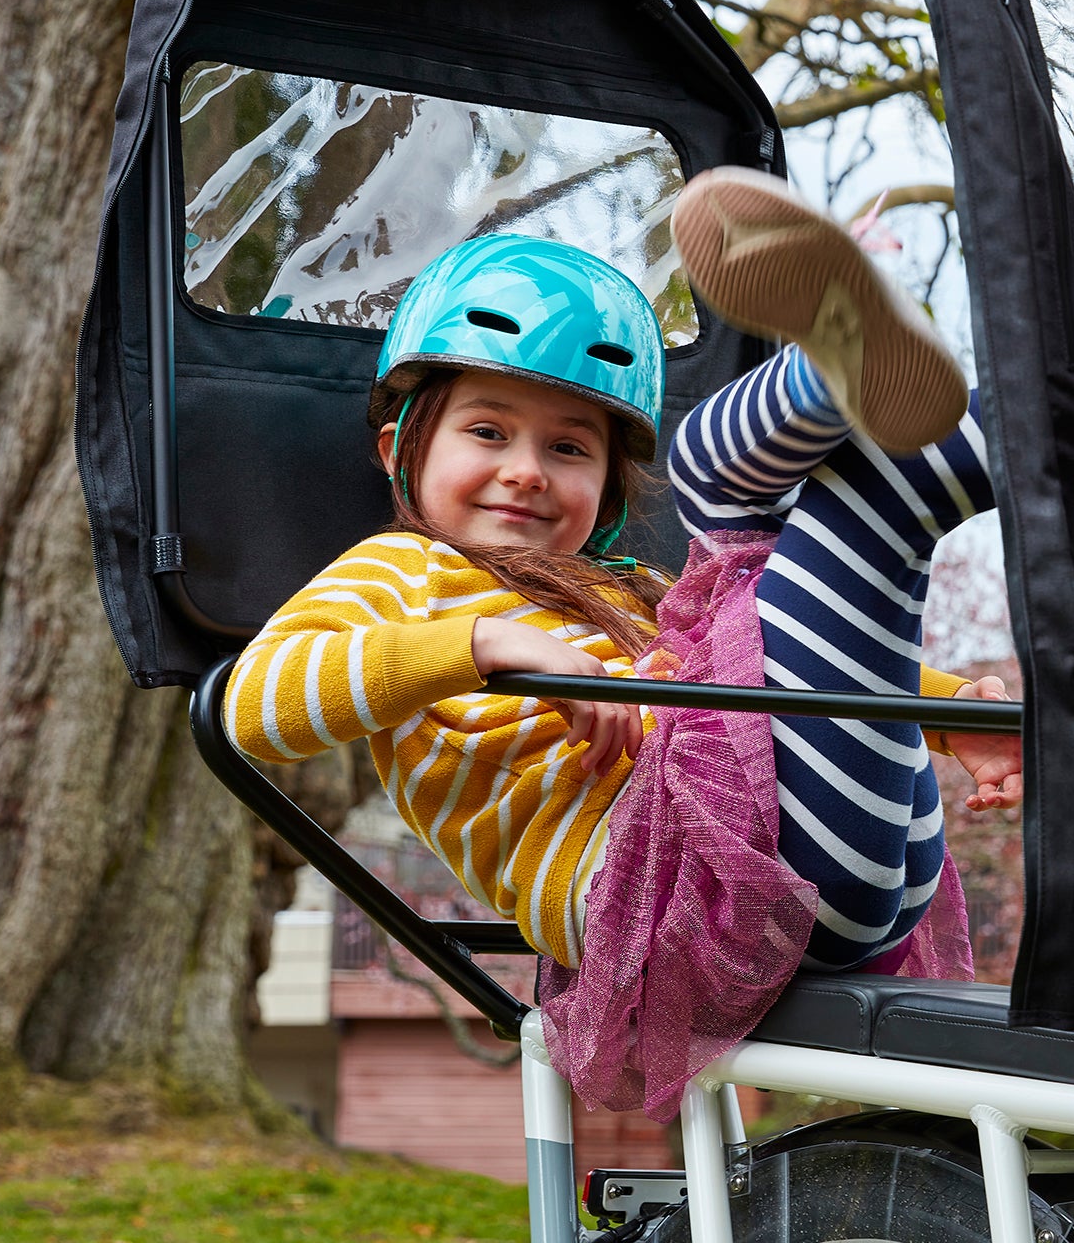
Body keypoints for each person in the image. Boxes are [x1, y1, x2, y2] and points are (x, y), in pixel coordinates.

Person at [227, 171, 1021, 1112]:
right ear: (400, 447)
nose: (525, 472)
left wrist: (944, 715)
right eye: (487, 430)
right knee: (801, 505)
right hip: (681, 906)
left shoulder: (629, 595)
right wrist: (484, 645)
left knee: (774, 520)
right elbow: (254, 706)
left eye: (569, 449)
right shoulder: (402, 573)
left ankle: (1049, 397)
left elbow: (776, 658)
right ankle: (943, 390)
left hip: (851, 866)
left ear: (604, 490)